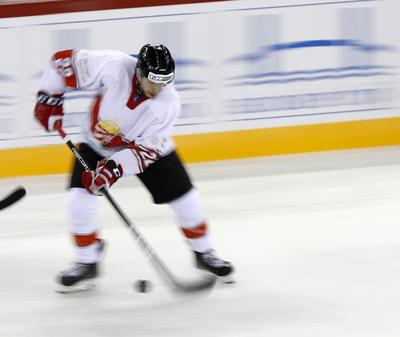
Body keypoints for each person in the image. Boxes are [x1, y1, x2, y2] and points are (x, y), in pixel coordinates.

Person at [33, 44, 234, 288]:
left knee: (186, 198)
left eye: (163, 83)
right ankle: (88, 261)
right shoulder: (114, 65)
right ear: (138, 70)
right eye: (153, 81)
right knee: (78, 200)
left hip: (145, 148)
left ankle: (204, 253)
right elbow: (61, 63)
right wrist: (49, 99)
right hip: (97, 143)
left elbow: (146, 152)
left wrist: (112, 170)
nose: (157, 89)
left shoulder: (168, 103)